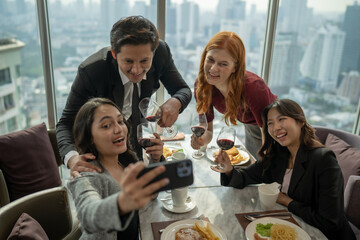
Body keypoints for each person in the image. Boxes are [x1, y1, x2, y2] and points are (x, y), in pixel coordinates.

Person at [56, 16, 192, 177]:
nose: (136, 70)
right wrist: (72, 159)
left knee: (145, 189)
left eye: (144, 61)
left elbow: (183, 90)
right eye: (128, 61)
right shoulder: (92, 71)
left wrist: (176, 102)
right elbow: (65, 123)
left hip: (135, 134)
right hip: (101, 148)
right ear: (114, 53)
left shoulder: (161, 53)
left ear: (153, 54)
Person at [214, 99, 356, 240]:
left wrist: (288, 202)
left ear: (299, 121)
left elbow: (330, 221)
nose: (276, 127)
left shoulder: (323, 159)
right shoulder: (279, 154)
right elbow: (245, 177)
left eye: (281, 119)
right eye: (270, 123)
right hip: (293, 227)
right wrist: (228, 169)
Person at [67, 97, 168, 239]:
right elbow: (88, 216)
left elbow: (151, 195)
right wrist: (121, 203)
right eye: (106, 125)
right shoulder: (86, 174)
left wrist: (155, 159)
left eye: (120, 121)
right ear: (90, 137)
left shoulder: (126, 160)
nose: (119, 129)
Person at [191, 31, 277, 158]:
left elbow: (269, 137)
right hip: (251, 126)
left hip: (275, 128)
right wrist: (201, 140)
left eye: (223, 64)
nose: (213, 69)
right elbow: (208, 130)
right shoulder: (202, 86)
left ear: (235, 67)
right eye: (210, 60)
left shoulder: (254, 87)